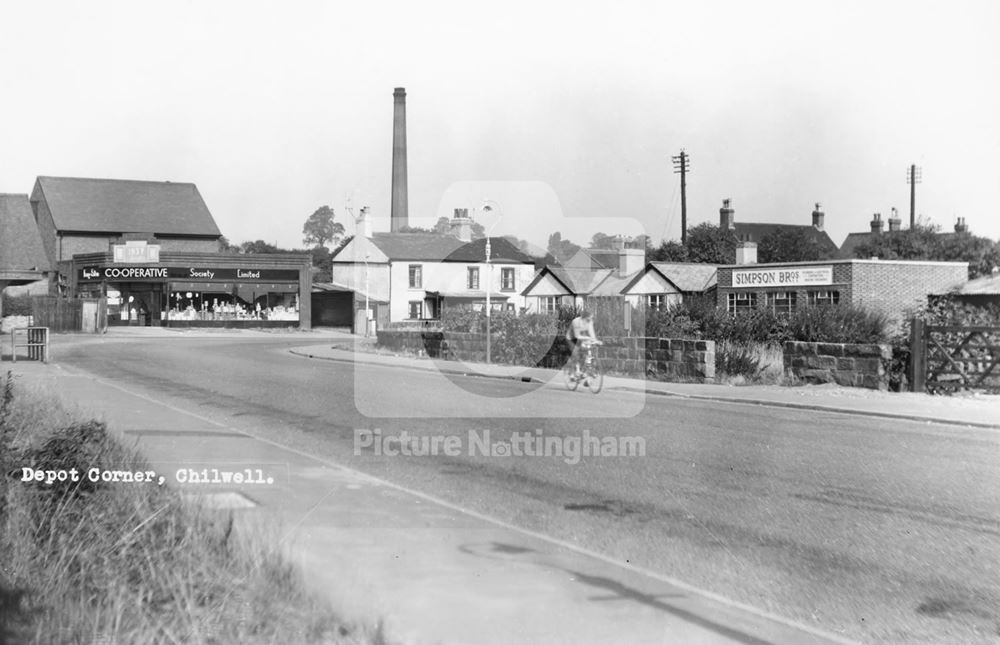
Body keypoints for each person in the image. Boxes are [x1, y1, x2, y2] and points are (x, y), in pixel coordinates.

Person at [565, 310, 600, 379]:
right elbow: (577, 336)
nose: (590, 320)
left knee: (586, 351)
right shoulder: (576, 322)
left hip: (581, 337)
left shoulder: (589, 322)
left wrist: (596, 341)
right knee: (575, 353)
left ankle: (583, 370)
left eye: (591, 319)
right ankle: (572, 372)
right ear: (583, 318)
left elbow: (592, 333)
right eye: (588, 319)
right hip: (572, 338)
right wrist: (588, 338)